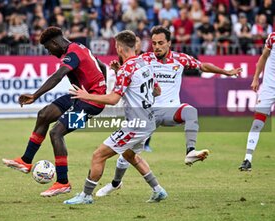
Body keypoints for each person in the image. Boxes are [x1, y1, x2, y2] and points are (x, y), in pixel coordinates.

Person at [96, 26, 242, 197]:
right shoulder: (144, 59)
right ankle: (115, 183)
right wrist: (117, 69)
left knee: (190, 111)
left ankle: (190, 152)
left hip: (169, 110)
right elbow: (129, 76)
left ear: (169, 43)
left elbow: (202, 66)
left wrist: (225, 72)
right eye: (154, 43)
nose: (156, 47)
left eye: (161, 43)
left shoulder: (180, 59)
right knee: (128, 154)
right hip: (147, 113)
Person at [64, 30, 167, 205]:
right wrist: (122, 74)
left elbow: (112, 99)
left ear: (118, 48)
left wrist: (86, 95)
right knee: (130, 155)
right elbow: (157, 91)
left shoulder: (127, 69)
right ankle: (158, 190)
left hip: (136, 125)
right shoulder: (144, 63)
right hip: (149, 121)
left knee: (98, 155)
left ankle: (86, 196)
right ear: (134, 45)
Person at [2, 26, 107, 197]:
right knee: (44, 115)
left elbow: (58, 76)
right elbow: (102, 66)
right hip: (80, 96)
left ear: (54, 42)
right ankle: (26, 161)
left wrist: (35, 95)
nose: (49, 52)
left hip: (91, 104)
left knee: (56, 133)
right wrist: (102, 87)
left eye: (47, 48)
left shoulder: (72, 54)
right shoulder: (80, 47)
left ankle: (63, 182)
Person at [239, 32, 275, 171]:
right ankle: (247, 159)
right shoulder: (273, 37)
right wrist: (255, 78)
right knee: (257, 123)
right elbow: (264, 57)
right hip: (269, 87)